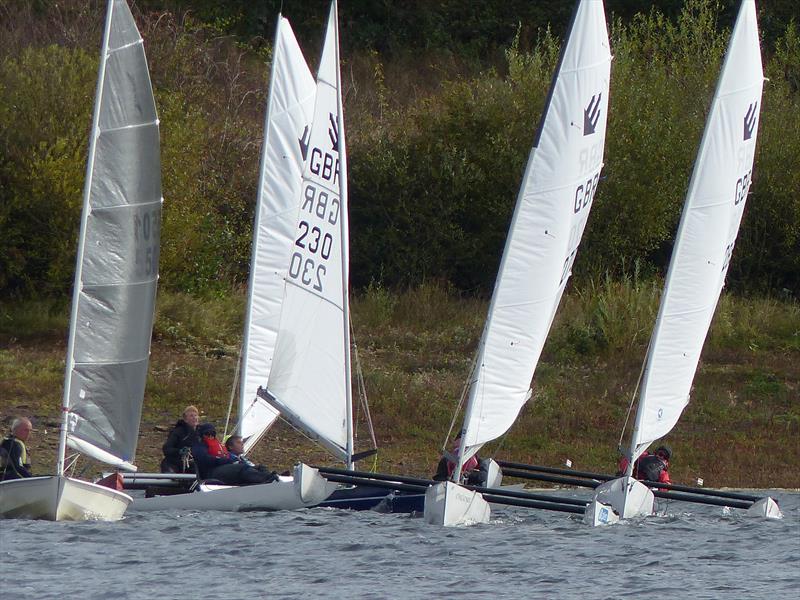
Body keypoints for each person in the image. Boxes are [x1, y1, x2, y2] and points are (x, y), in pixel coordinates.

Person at [192, 424, 276, 485]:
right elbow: (204, 459)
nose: (210, 436)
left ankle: (272, 477)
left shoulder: (217, 445)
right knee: (242, 468)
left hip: (225, 468)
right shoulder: (199, 446)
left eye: (212, 434)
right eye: (207, 434)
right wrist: (226, 460)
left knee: (260, 467)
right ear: (202, 435)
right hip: (211, 472)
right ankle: (266, 479)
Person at [161, 405, 200, 473]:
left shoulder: (201, 432)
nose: (194, 418)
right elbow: (166, 449)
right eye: (191, 416)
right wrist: (179, 451)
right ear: (185, 419)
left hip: (193, 465)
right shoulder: (178, 431)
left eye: (196, 415)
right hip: (174, 462)